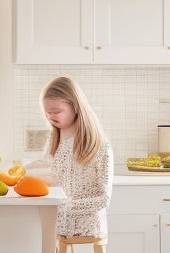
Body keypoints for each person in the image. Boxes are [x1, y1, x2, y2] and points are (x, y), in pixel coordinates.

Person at [26, 76, 113, 238]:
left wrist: (64, 205)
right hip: (58, 224)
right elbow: (51, 168)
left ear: (76, 107)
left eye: (57, 112)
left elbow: (104, 199)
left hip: (87, 228)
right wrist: (22, 172)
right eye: (47, 113)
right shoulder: (56, 138)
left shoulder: (100, 146)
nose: (51, 117)